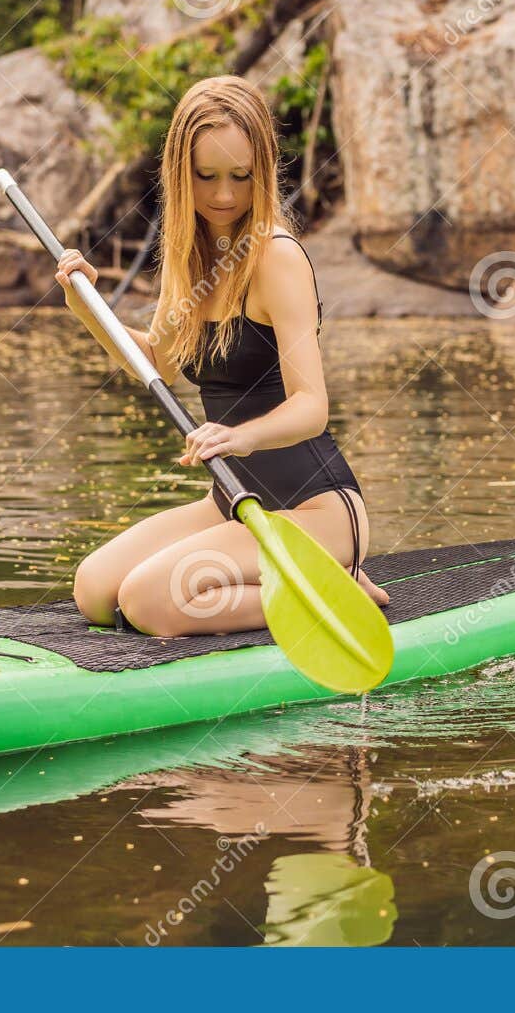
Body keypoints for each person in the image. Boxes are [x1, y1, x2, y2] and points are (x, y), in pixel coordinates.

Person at [56, 75, 390, 637]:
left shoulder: (277, 257)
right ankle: (306, 583)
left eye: (241, 176)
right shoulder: (188, 255)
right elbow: (156, 363)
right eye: (206, 176)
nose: (225, 195)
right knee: (94, 589)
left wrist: (241, 437)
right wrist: (86, 305)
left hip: (315, 511)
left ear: (262, 171)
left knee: (147, 601)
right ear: (180, 173)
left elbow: (312, 407)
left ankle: (332, 588)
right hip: (234, 502)